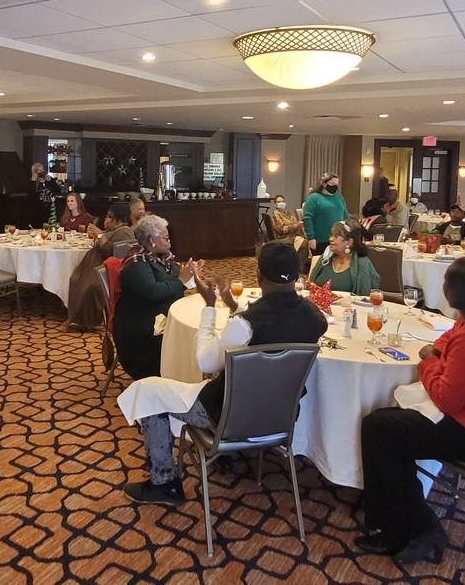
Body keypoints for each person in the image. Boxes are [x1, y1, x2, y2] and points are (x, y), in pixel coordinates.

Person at [120, 243, 326, 505]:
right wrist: (231, 304)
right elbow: (274, 332)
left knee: (146, 390)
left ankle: (164, 483)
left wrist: (209, 306)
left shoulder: (246, 325)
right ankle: (228, 458)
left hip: (230, 416)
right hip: (280, 416)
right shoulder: (314, 317)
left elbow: (206, 361)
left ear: (259, 277)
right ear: (298, 276)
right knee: (217, 375)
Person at [357, 257, 465, 564]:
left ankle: (396, 529)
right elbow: (450, 336)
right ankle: (419, 523)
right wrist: (438, 349)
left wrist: (428, 361)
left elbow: (447, 399)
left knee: (378, 429)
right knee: (387, 428)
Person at [112, 215, 198, 380]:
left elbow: (174, 278)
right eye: (166, 238)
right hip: (140, 325)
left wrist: (189, 275)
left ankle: (189, 374)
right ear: (151, 240)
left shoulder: (162, 257)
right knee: (186, 334)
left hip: (158, 312)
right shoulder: (136, 262)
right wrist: (181, 279)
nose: (169, 242)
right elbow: (153, 291)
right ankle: (177, 374)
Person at [65, 203, 136, 331]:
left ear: (119, 220)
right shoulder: (114, 231)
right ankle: (75, 318)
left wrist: (99, 235)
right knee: (75, 280)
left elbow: (113, 253)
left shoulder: (124, 232)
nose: (106, 219)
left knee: (89, 287)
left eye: (109, 217)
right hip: (93, 267)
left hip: (105, 271)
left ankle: (86, 322)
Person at [309, 220, 380, 295]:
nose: (331, 239)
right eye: (331, 235)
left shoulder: (362, 264)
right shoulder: (326, 258)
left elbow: (365, 295)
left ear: (349, 242)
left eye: (336, 237)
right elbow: (310, 285)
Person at [303, 173, 348, 255]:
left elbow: (345, 216)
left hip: (338, 240)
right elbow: (307, 219)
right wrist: (311, 238)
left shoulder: (339, 197)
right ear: (324, 184)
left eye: (336, 184)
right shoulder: (313, 198)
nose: (335, 186)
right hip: (320, 240)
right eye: (332, 184)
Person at [30, 162, 63, 227]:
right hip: (38, 211)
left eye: (43, 170)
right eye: (40, 171)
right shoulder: (33, 183)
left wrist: (52, 181)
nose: (42, 172)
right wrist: (33, 181)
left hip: (51, 209)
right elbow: (31, 195)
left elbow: (58, 191)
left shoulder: (49, 181)